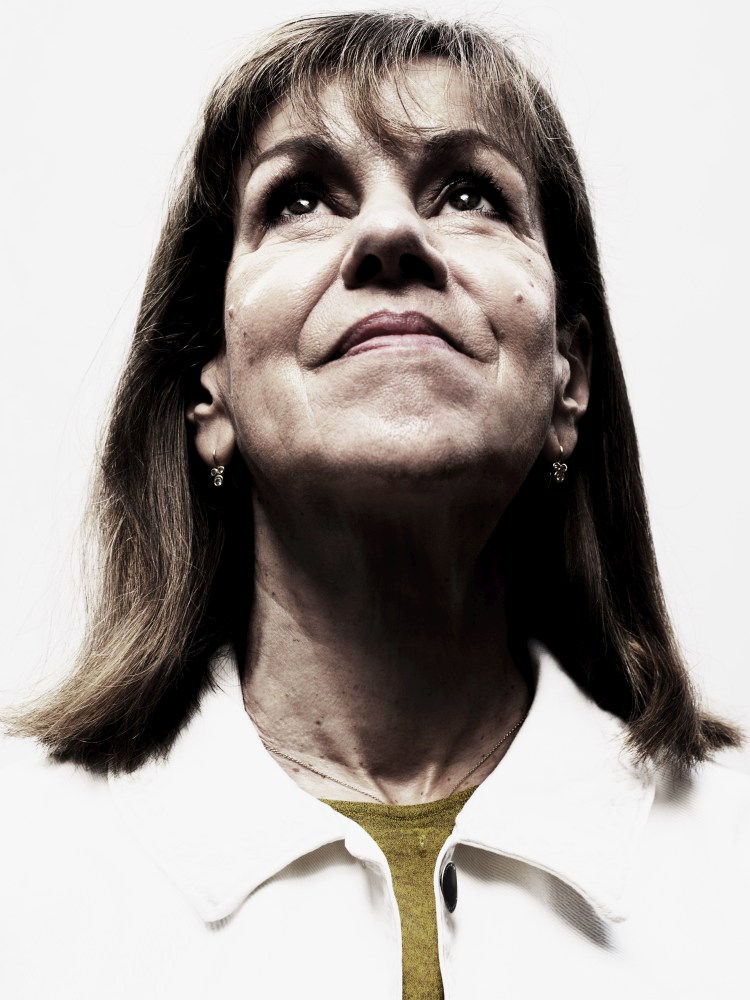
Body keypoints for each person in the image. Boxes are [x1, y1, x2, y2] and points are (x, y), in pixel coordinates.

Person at [2, 11, 748, 1000]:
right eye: (300, 197)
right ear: (208, 394)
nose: (390, 234)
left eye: (471, 194)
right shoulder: (20, 864)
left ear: (568, 381)